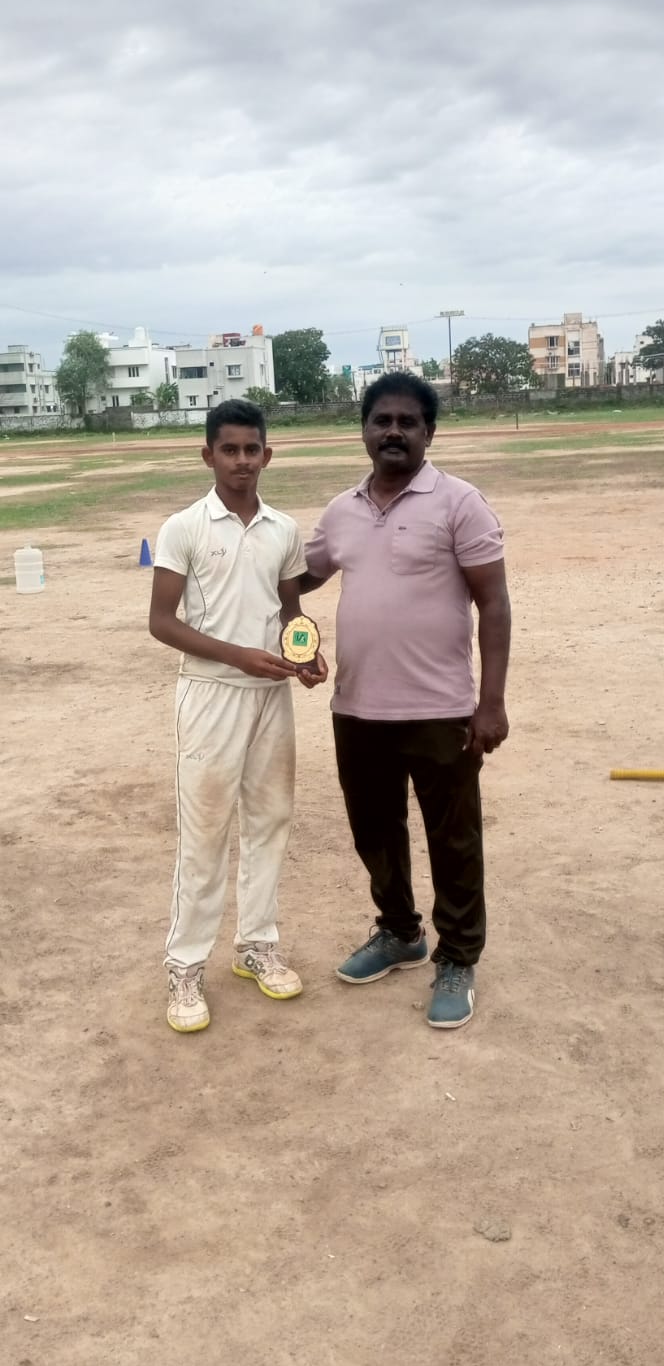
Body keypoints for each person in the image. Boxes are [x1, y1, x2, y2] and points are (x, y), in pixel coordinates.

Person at [301, 373, 510, 1030]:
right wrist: (293, 634)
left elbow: (494, 603)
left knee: (454, 840)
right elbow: (296, 580)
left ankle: (458, 956)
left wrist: (492, 703)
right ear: (363, 429)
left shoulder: (459, 503)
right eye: (381, 420)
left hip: (440, 709)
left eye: (407, 421)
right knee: (375, 833)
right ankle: (399, 933)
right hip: (357, 707)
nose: (393, 431)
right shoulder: (341, 510)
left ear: (429, 432)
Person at [149, 399, 327, 1034]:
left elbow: (289, 613)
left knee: (271, 819)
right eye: (230, 449)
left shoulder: (282, 528)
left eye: (252, 449)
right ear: (208, 455)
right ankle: (186, 965)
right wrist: (238, 657)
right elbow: (161, 622)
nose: (242, 461)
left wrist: (306, 653)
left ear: (267, 455)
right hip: (210, 694)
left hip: (270, 695)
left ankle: (256, 946)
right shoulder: (184, 528)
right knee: (205, 831)